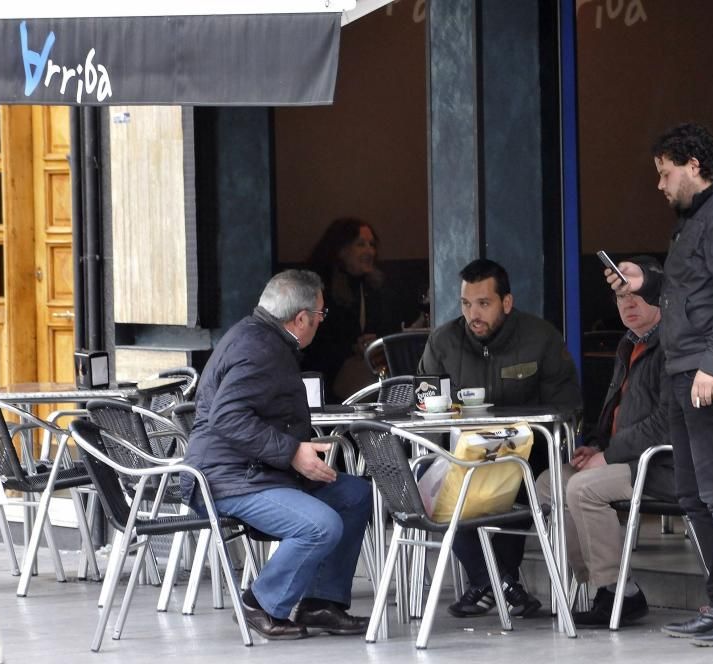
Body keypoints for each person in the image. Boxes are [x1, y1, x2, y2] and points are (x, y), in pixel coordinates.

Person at [607, 122, 713, 645]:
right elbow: (693, 286)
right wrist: (646, 281)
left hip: (712, 370)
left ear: (693, 167)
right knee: (694, 494)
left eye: (665, 172)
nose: (660, 185)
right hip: (688, 366)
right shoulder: (698, 217)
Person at [182, 270, 373, 641]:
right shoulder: (260, 348)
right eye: (321, 315)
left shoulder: (261, 337)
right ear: (300, 318)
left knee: (354, 494)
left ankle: (321, 603)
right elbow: (227, 418)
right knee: (321, 525)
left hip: (257, 471)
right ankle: (261, 603)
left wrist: (291, 455)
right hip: (227, 481)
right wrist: (291, 453)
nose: (321, 322)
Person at [418, 258, 582, 618]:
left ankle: (486, 585)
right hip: (461, 455)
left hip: (524, 453)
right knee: (426, 481)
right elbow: (423, 402)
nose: (473, 313)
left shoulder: (540, 337)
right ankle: (502, 584)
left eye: (483, 304)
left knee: (523, 481)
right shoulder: (443, 340)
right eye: (466, 303)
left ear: (506, 303)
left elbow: (568, 403)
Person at [534, 283, 674, 627]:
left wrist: (608, 456)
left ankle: (618, 592)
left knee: (582, 487)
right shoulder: (630, 343)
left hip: (663, 464)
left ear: (658, 296)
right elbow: (615, 410)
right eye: (620, 297)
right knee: (549, 483)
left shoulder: (672, 343)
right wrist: (597, 446)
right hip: (624, 458)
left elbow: (665, 423)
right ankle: (604, 584)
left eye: (636, 296)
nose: (627, 304)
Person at [302, 218, 418, 401]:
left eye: (372, 245)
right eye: (361, 244)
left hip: (367, 379)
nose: (369, 251)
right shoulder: (318, 289)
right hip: (328, 385)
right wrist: (351, 348)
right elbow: (312, 344)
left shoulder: (377, 288)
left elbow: (391, 328)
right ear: (340, 250)